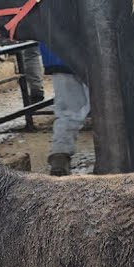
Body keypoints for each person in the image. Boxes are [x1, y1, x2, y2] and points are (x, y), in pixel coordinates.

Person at [43, 43, 89, 176]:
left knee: (67, 112)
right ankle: (112, 159)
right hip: (95, 54)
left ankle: (60, 155)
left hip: (58, 53)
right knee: (107, 109)